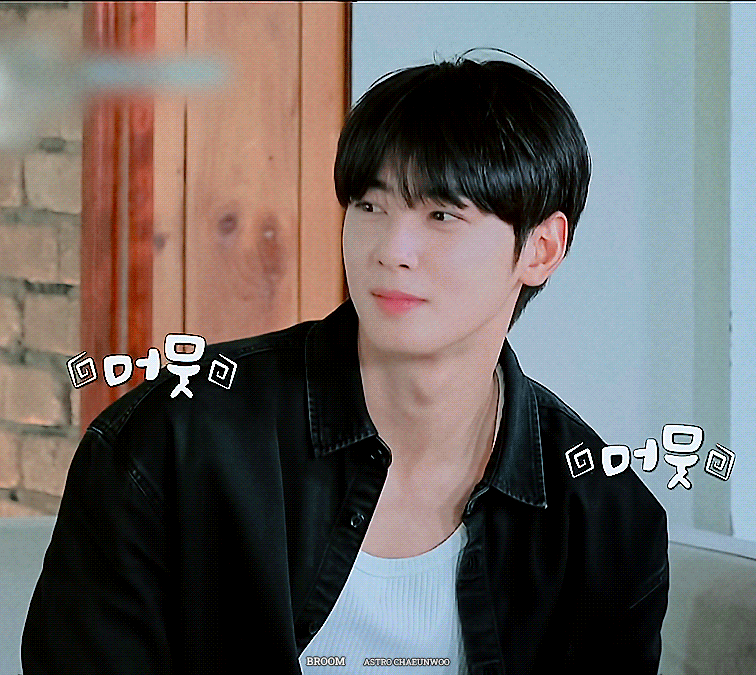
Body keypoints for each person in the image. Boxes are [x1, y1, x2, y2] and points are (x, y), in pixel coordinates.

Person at [22, 55, 669, 675]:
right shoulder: (169, 444)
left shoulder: (604, 521)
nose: (392, 249)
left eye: (441, 214)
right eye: (370, 206)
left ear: (541, 249)